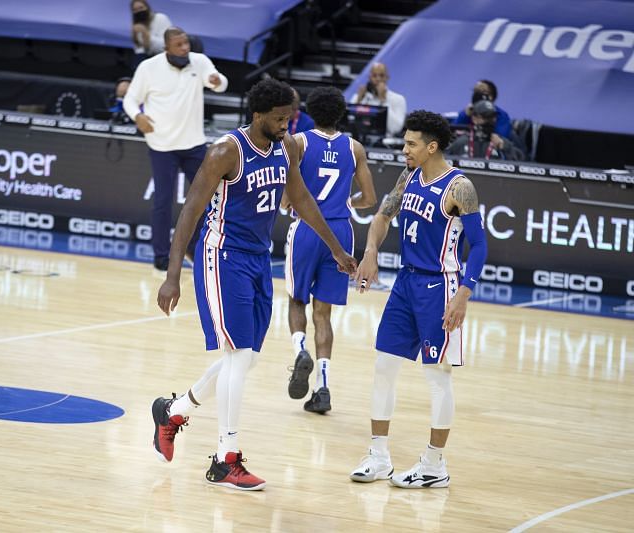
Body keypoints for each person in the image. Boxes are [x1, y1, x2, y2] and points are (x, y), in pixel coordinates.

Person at [151, 78, 358, 491]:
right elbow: (190, 210)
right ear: (259, 114)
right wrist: (172, 276)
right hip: (222, 257)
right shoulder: (227, 150)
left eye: (291, 117)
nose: (288, 124)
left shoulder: (284, 149)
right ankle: (226, 459)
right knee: (236, 354)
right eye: (281, 117)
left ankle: (172, 411)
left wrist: (336, 249)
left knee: (246, 360)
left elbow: (302, 201)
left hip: (259, 259)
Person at [349, 110, 487, 489]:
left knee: (437, 376)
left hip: (439, 288)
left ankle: (434, 464)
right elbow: (382, 215)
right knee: (383, 366)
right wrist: (370, 253)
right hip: (405, 285)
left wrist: (464, 292)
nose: (404, 148)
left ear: (432, 146)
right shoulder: (408, 176)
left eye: (410, 144)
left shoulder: (460, 187)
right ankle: (379, 456)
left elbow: (480, 245)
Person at [282, 86, 377, 413]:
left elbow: (286, 194)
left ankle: (299, 352)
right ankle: (323, 387)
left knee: (296, 299)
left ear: (309, 111)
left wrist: (285, 204)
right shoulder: (354, 147)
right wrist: (346, 201)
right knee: (324, 313)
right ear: (341, 114)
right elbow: (370, 199)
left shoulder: (299, 142)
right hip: (341, 231)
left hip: (307, 228)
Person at [123, 27, 228, 272]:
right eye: (179, 45)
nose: (185, 48)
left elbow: (219, 82)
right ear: (167, 48)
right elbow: (129, 99)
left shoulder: (199, 62)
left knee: (207, 197)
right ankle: (161, 254)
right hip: (161, 145)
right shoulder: (149, 67)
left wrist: (217, 81)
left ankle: (194, 247)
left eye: (186, 43)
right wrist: (137, 116)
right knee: (162, 201)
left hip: (193, 144)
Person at [447, 100, 524, 161]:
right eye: (486, 117)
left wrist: (505, 148)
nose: (490, 121)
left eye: (493, 117)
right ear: (474, 119)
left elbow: (524, 162)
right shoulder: (461, 142)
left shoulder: (501, 142)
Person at [350, 62, 407, 137]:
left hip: (384, 144)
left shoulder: (398, 99)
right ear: (369, 78)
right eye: (374, 75)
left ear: (387, 77)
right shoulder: (359, 97)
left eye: (381, 75)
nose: (378, 79)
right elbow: (349, 122)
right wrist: (358, 101)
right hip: (359, 140)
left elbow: (395, 129)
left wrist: (383, 100)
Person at [130, 0, 172, 66]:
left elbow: (166, 45)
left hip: (165, 56)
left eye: (141, 8)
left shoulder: (160, 18)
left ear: (147, 7)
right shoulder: (138, 25)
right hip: (148, 58)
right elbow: (139, 50)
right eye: (135, 10)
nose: (139, 11)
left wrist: (146, 34)